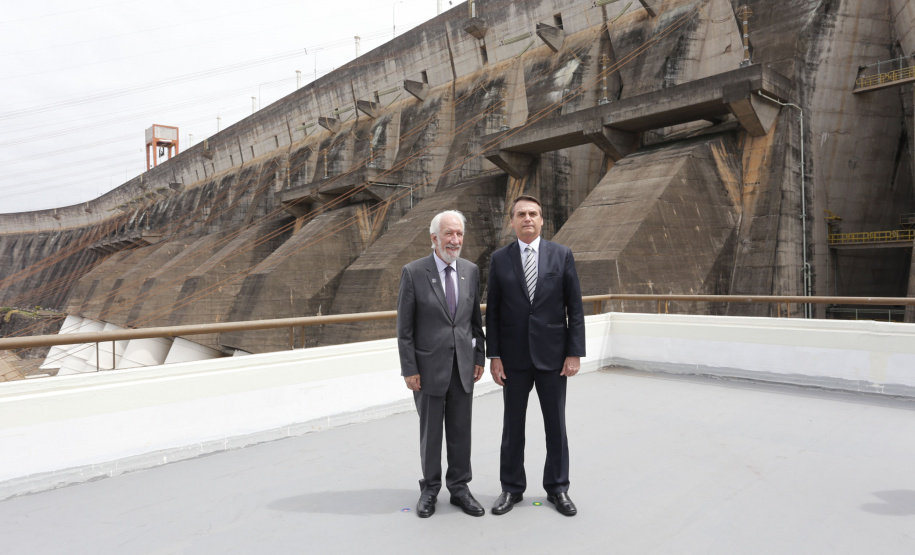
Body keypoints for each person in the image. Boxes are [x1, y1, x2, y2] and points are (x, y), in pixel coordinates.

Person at [486, 195, 585, 517]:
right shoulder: (500, 259)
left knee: (556, 426)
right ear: (512, 221)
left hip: (553, 357)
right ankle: (511, 488)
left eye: (533, 214)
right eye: (521, 214)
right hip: (513, 359)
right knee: (512, 427)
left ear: (542, 220)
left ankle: (558, 488)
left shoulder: (562, 255)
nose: (527, 218)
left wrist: (573, 352)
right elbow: (493, 312)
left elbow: (575, 307)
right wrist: (494, 355)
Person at [397, 210, 486, 518]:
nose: (455, 240)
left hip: (463, 367)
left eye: (459, 234)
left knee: (461, 431)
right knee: (431, 433)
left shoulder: (470, 271)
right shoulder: (413, 272)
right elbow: (404, 329)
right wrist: (409, 368)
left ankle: (460, 488)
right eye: (449, 233)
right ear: (434, 238)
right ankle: (430, 489)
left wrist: (478, 357)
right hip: (427, 370)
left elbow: (474, 321)